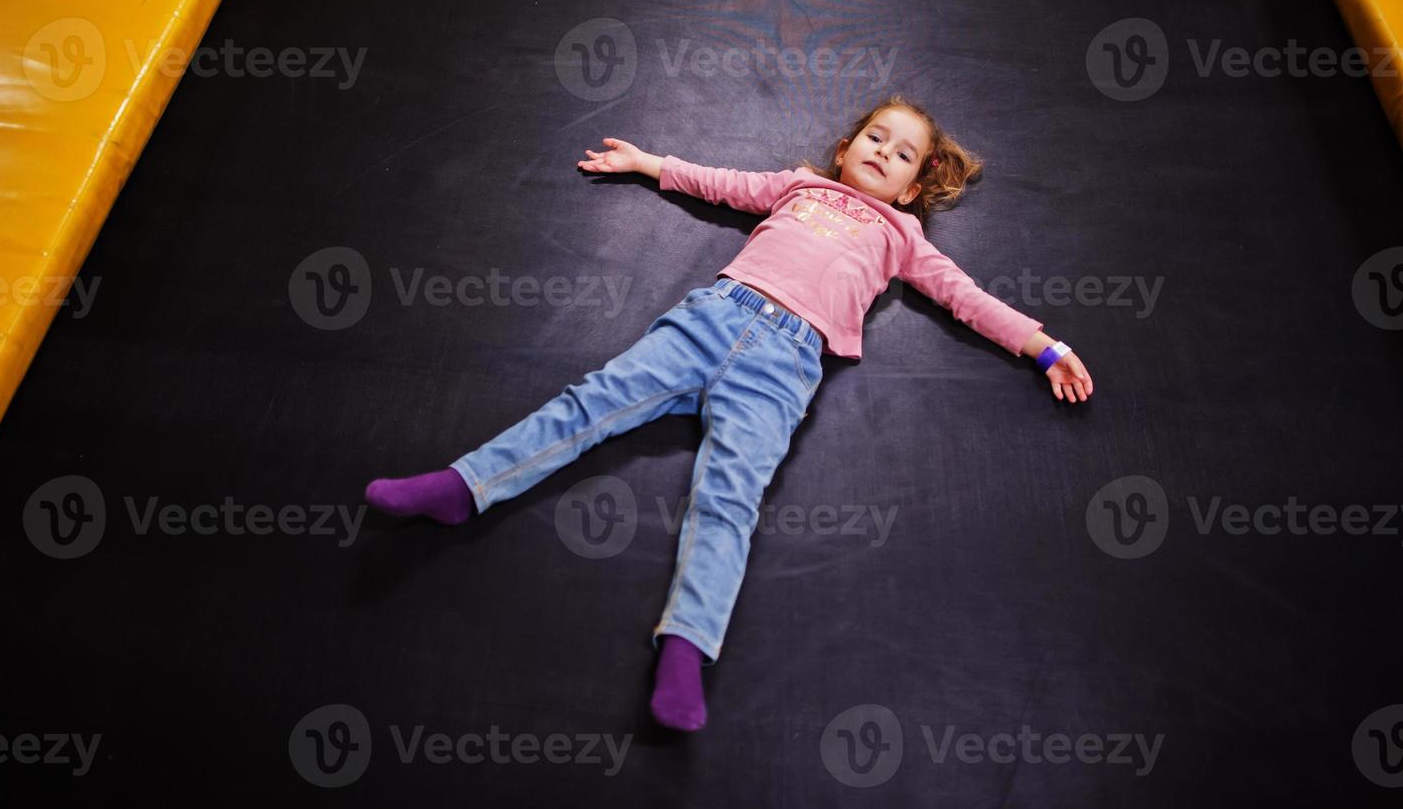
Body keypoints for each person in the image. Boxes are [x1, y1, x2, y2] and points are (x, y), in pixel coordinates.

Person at [365, 94, 1094, 733]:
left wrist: (1042, 346)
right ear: (844, 150)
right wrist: (649, 162)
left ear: (911, 189)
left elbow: (967, 299)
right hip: (711, 318)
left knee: (728, 497)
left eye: (903, 154)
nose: (884, 153)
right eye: (875, 137)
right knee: (590, 402)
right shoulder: (799, 186)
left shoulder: (903, 238)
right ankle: (462, 489)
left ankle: (685, 646)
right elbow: (723, 184)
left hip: (784, 365)